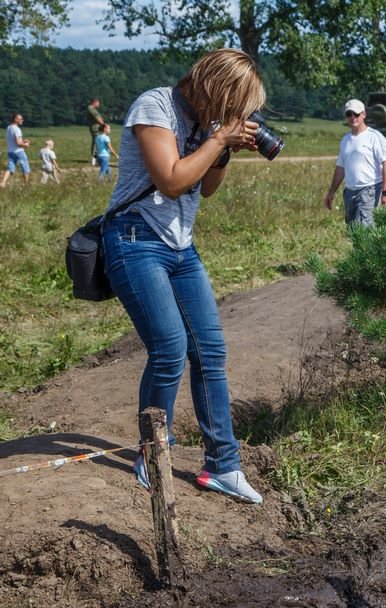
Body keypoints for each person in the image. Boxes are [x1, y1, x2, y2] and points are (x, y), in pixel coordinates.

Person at [100, 48, 268, 503]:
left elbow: (205, 189)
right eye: (236, 103)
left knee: (210, 351)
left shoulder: (209, 125)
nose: (237, 115)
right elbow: (172, 180)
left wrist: (225, 150)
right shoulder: (153, 106)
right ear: (216, 86)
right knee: (170, 348)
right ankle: (153, 452)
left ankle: (224, 466)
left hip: (180, 246)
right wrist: (218, 140)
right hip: (134, 240)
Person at [324, 99, 386, 226]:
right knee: (354, 232)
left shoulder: (374, 136)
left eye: (356, 114)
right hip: (350, 192)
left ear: (364, 115)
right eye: (349, 114)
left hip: (369, 190)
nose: (353, 117)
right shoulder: (345, 140)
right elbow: (340, 169)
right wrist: (331, 192)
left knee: (364, 230)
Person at [2, 113, 31, 188]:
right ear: (15, 119)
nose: (22, 120)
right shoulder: (17, 129)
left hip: (10, 151)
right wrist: (26, 145)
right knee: (25, 168)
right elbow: (18, 143)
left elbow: (13, 140)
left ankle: (3, 182)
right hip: (19, 152)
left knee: (10, 168)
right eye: (21, 119)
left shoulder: (9, 127)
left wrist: (23, 141)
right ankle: (26, 186)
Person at [87, 98, 105, 165]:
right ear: (94, 102)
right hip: (95, 128)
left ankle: (97, 158)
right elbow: (97, 118)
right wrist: (103, 124)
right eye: (98, 103)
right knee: (96, 143)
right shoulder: (90, 108)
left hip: (98, 128)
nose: (99, 105)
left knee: (97, 142)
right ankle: (94, 159)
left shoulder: (93, 109)